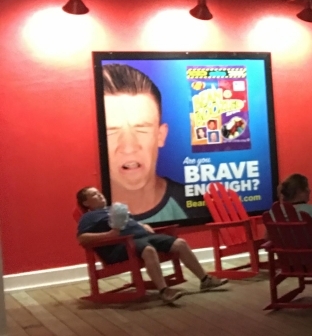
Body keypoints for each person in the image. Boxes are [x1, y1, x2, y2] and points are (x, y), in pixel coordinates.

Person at [75, 187, 228, 304]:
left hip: (144, 236)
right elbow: (83, 239)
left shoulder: (113, 209)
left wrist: (142, 224)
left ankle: (205, 280)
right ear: (86, 203)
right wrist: (109, 235)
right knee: (148, 250)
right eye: (94, 195)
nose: (100, 195)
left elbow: (129, 222)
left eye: (99, 192)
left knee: (180, 243)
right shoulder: (89, 217)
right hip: (122, 245)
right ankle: (164, 290)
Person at [101, 63, 187, 223]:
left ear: (161, 135)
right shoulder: (93, 216)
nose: (128, 147)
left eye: (141, 129)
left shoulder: (194, 205)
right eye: (111, 131)